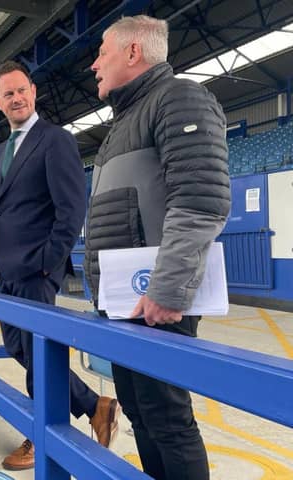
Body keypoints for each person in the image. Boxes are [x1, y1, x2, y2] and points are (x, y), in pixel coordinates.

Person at [85, 15, 231, 480]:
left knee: (167, 418)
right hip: (125, 305)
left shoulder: (179, 98)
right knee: (141, 413)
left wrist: (169, 289)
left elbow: (201, 199)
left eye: (101, 52)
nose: (93, 64)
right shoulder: (123, 123)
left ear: (133, 52)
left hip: (157, 303)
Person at [0, 60, 120, 471]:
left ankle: (39, 436)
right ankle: (95, 405)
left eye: (21, 90)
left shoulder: (55, 140)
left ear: (33, 92)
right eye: (7, 94)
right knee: (20, 349)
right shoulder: (2, 152)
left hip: (36, 272)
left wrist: (48, 266)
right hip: (5, 272)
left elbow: (71, 211)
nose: (16, 98)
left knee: (37, 357)